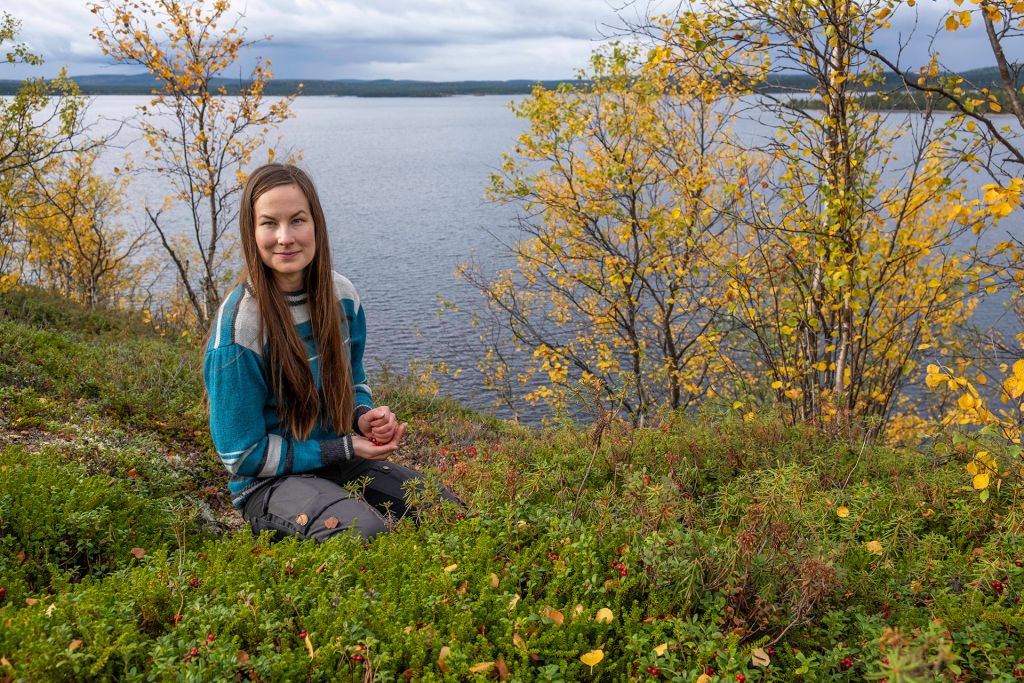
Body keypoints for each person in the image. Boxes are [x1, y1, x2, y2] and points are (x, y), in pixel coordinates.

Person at [204, 163, 454, 542]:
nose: (285, 237)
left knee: (445, 513)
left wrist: (364, 418)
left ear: (316, 225)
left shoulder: (342, 298)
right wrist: (343, 447)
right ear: (251, 232)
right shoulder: (241, 327)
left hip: (341, 464)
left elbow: (354, 380)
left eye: (297, 220)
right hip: (269, 486)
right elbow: (241, 455)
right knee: (365, 533)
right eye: (269, 223)